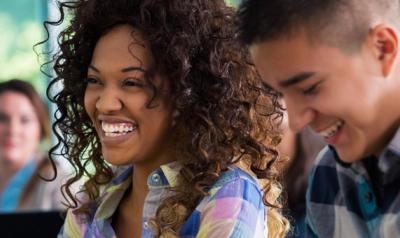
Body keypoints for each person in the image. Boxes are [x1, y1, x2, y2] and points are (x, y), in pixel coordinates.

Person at [43, 0, 289, 237]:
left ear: (187, 93)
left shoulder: (229, 195)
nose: (105, 103)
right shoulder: (92, 203)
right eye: (94, 81)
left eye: (131, 83)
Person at [237, 0, 400, 237]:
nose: (297, 122)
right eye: (278, 94)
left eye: (309, 88)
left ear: (383, 49)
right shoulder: (328, 175)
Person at [0, 79, 65, 212]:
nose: (13, 130)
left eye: (25, 120)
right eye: (2, 118)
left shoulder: (61, 186)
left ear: (41, 128)